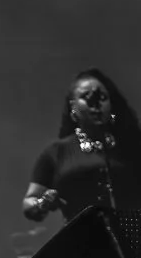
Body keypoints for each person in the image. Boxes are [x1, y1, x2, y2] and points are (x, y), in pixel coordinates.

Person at [23, 69, 140, 225]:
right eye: (87, 97)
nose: (96, 104)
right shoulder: (57, 152)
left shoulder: (132, 147)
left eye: (103, 97)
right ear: (73, 107)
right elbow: (29, 202)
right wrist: (43, 203)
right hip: (83, 240)